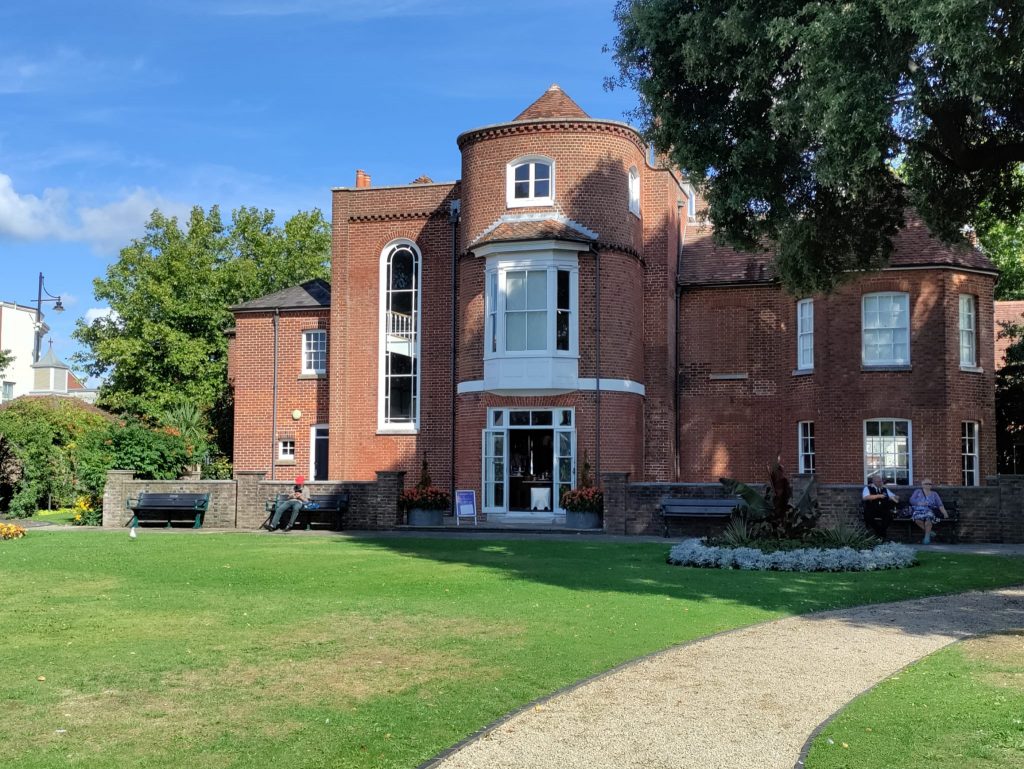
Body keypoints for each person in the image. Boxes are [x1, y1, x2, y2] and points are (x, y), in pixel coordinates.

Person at [909, 478, 947, 544]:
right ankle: (930, 532)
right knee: (917, 520)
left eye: (930, 484)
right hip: (918, 510)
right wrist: (920, 503)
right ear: (922, 485)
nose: (928, 485)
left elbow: (940, 505)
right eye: (926, 484)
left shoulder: (934, 494)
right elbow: (911, 500)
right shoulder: (918, 491)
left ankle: (927, 538)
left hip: (929, 510)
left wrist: (945, 513)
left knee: (928, 520)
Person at [862, 473, 897, 538]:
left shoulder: (884, 489)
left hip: (882, 509)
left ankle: (880, 533)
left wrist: (894, 497)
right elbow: (865, 497)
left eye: (880, 481)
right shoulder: (868, 488)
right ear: (873, 481)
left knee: (889, 516)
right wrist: (878, 496)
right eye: (878, 481)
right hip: (871, 509)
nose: (879, 483)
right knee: (868, 517)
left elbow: (895, 497)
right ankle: (880, 533)